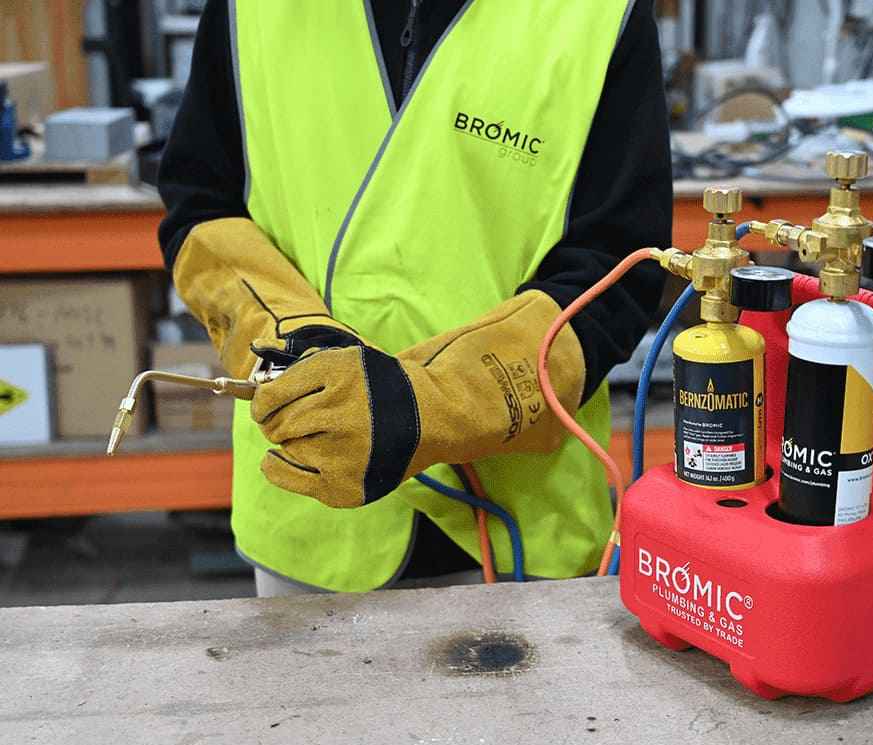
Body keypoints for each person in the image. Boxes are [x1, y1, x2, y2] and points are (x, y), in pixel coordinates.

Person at [157, 0, 671, 595]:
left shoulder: (600, 14)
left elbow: (618, 267)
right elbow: (202, 210)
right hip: (312, 509)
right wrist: (296, 344)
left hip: (521, 528)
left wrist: (430, 403)